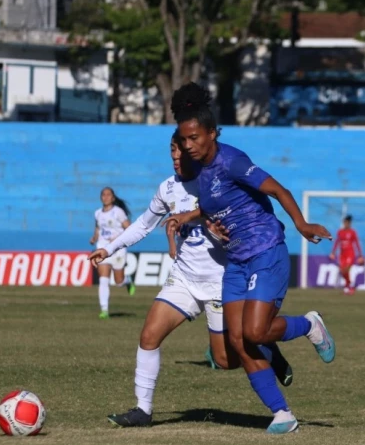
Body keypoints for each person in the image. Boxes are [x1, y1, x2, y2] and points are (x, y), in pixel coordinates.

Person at [89, 134, 294, 428]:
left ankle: (266, 346)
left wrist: (217, 226)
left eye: (180, 152)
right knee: (149, 337)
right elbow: (143, 225)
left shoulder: (213, 182)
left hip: (221, 281)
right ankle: (142, 410)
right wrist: (109, 248)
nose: (176, 158)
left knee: (226, 361)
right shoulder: (167, 188)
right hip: (184, 279)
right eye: (172, 153)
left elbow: (242, 210)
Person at [165, 82, 336, 434]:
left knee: (255, 332)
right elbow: (219, 203)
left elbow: (277, 189)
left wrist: (301, 224)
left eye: (195, 138)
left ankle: (309, 325)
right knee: (237, 344)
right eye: (184, 140)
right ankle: (282, 415)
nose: (189, 145)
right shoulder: (200, 171)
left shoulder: (232, 160)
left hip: (265, 251)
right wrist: (191, 217)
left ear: (212, 134)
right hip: (236, 261)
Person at [89, 187, 136, 318]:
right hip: (103, 249)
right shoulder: (97, 213)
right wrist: (94, 238)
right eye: (103, 194)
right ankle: (104, 310)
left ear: (113, 198)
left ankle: (127, 282)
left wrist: (118, 237)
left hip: (117, 249)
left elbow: (130, 229)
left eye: (108, 195)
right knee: (103, 280)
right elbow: (98, 228)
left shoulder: (118, 212)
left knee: (118, 281)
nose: (105, 197)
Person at [329, 214, 365, 295]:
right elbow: (337, 242)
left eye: (347, 222)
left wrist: (360, 255)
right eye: (345, 222)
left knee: (346, 269)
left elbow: (357, 243)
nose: (346, 224)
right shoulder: (340, 232)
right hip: (342, 255)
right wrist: (333, 252)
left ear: (349, 223)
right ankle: (350, 286)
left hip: (350, 254)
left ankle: (347, 286)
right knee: (343, 271)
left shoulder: (352, 232)